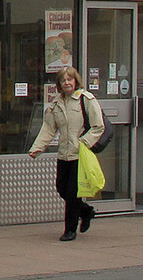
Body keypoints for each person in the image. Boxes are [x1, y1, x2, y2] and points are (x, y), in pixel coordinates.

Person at [29, 64, 104, 240]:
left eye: (69, 79)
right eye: (63, 80)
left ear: (75, 81)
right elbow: (49, 128)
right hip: (64, 154)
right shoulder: (57, 104)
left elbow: (98, 126)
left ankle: (70, 230)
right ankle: (86, 211)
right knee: (62, 189)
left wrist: (84, 142)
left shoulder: (86, 99)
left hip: (79, 154)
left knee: (72, 192)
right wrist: (37, 149)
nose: (67, 83)